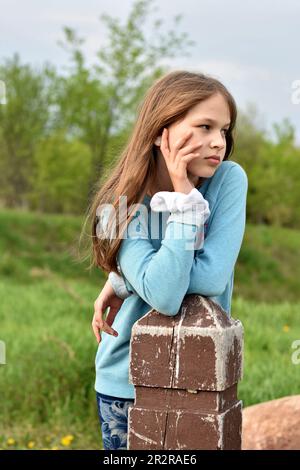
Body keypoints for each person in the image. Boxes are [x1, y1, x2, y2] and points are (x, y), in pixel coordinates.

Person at [86, 70, 248, 450]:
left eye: (223, 130)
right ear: (161, 131)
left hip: (202, 379)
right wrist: (187, 206)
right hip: (125, 383)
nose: (217, 143)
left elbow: (210, 277)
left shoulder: (228, 181)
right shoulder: (120, 205)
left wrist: (125, 279)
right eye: (204, 126)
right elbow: (165, 294)